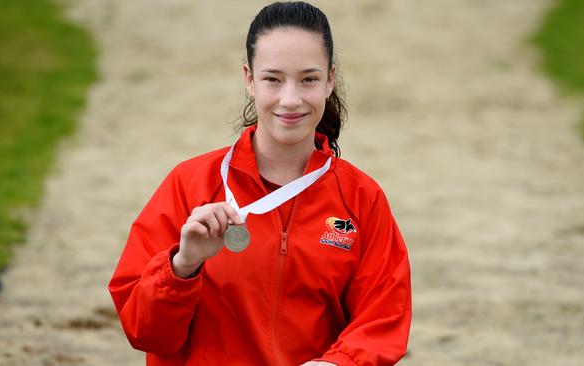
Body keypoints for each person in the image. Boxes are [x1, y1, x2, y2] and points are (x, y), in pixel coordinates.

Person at [109, 2, 411, 365]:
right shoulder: (189, 184)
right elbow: (145, 332)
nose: (290, 99)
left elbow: (384, 316)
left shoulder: (361, 198)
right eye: (273, 78)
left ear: (330, 80)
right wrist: (182, 266)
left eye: (308, 79)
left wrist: (338, 363)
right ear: (250, 80)